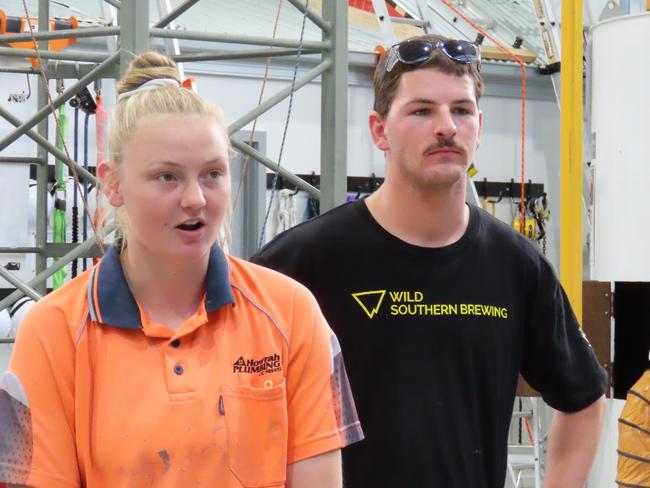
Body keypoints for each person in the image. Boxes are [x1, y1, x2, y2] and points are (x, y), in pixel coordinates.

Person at [251, 34, 607, 487]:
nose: (446, 127)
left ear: (479, 124)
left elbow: (584, 398)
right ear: (379, 130)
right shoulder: (302, 262)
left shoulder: (516, 265)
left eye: (460, 110)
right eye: (422, 111)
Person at [0, 52, 362, 488]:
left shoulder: (291, 314)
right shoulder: (52, 333)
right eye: (167, 177)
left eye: (212, 174)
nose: (196, 199)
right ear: (112, 184)